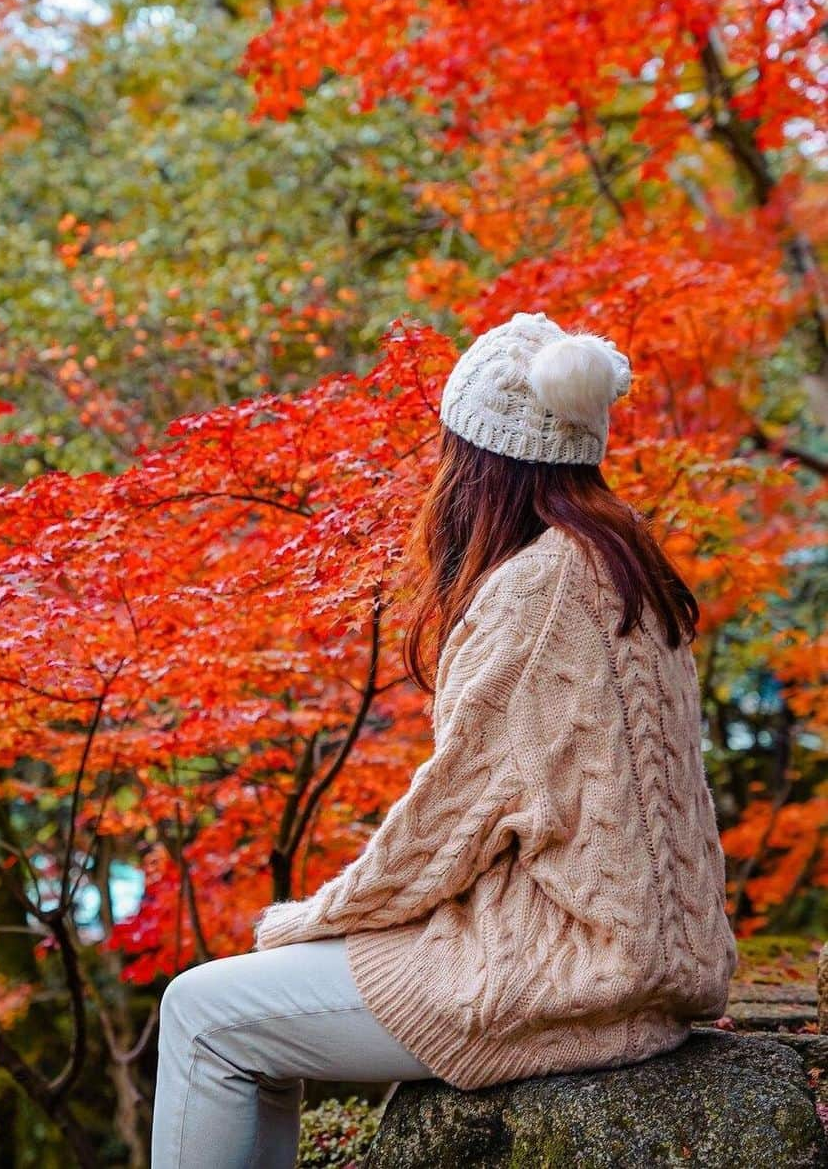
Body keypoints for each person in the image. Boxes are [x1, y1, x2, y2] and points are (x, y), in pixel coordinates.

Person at [149, 310, 739, 1169]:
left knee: (203, 1015)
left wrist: (315, 919)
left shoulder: (534, 593)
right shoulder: (621, 558)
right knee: (235, 1010)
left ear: (480, 461)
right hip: (657, 954)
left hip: (579, 970)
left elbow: (450, 822)